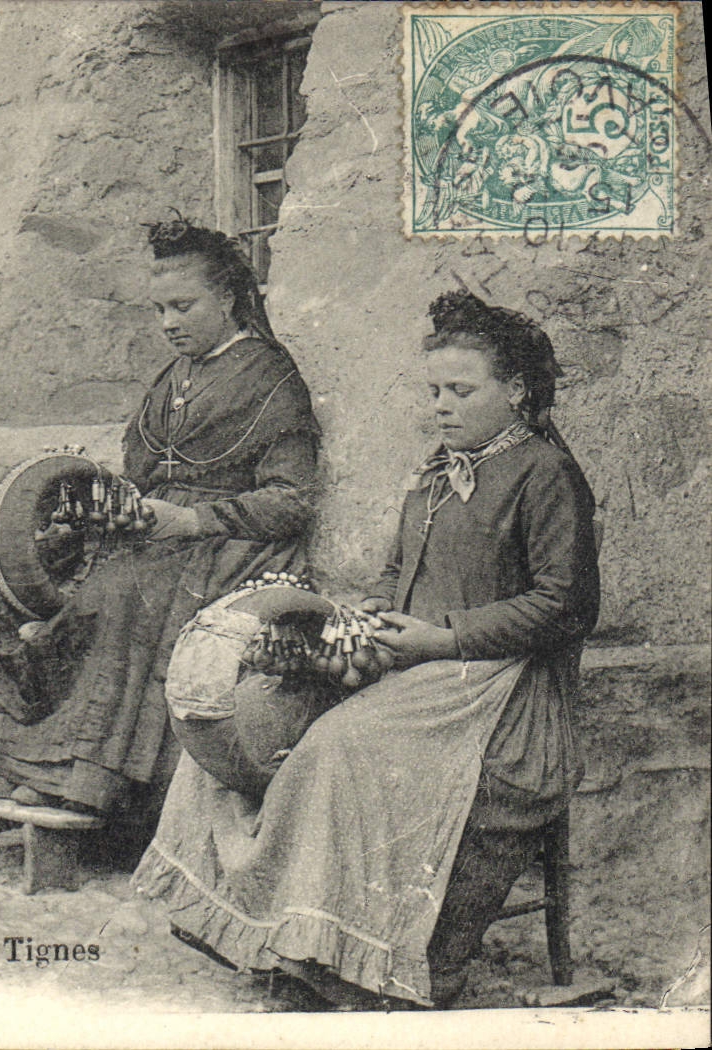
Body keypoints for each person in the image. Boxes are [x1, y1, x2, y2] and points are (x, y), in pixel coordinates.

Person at [132, 290, 600, 1009]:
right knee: (245, 717)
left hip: (501, 695)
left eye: (460, 390)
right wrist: (368, 612)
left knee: (336, 748)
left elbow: (564, 606)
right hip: (416, 670)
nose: (441, 406)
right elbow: (395, 572)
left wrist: (443, 637)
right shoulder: (438, 474)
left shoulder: (543, 474)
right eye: (434, 390)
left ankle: (338, 953)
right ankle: (261, 924)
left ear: (516, 392)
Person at [0, 217, 321, 828]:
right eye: (159, 310)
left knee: (116, 592)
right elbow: (142, 473)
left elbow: (291, 501)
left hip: (223, 542)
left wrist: (189, 518)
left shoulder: (271, 378)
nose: (169, 323)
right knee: (5, 583)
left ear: (230, 299)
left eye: (183, 307)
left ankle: (73, 775)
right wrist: (99, 510)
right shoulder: (174, 376)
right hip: (152, 529)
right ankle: (12, 757)